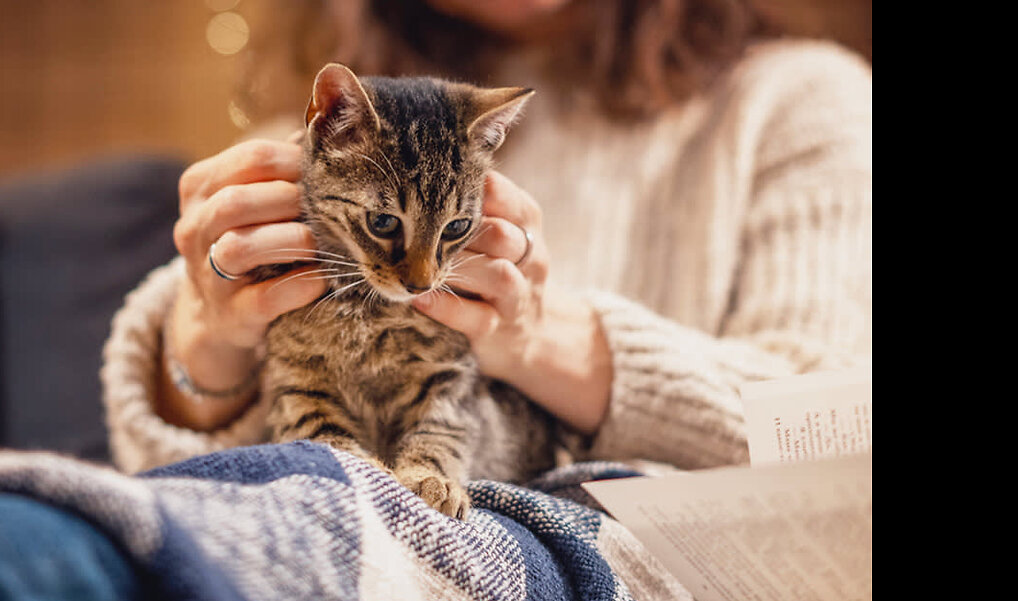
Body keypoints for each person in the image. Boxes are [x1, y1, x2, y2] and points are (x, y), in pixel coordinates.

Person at [101, 0, 872, 476]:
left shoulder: (801, 102)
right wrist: (205, 347)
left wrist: (549, 342)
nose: (418, 270)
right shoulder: (325, 140)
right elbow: (168, 490)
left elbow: (838, 439)